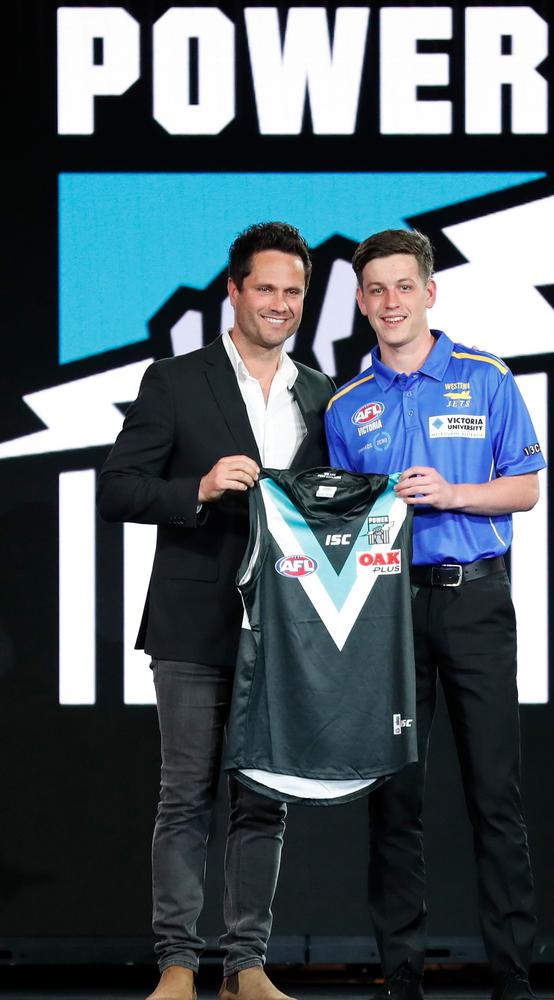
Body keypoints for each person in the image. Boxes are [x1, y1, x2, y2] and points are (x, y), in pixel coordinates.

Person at [98, 222, 335, 1000]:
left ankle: (246, 964)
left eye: (293, 291)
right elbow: (118, 488)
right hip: (192, 623)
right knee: (185, 796)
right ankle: (177, 962)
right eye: (264, 288)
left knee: (264, 798)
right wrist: (195, 490)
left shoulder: (320, 392)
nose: (279, 304)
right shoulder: (176, 379)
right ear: (233, 292)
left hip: (285, 629)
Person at [324, 229, 545, 1000]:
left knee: (496, 793)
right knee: (396, 800)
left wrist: (451, 493)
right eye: (376, 290)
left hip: (476, 598)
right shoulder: (349, 405)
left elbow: (525, 487)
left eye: (403, 287)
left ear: (430, 291)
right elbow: (342, 522)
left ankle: (514, 978)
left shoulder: (484, 378)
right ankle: (402, 977)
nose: (391, 302)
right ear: (361, 301)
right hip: (388, 616)